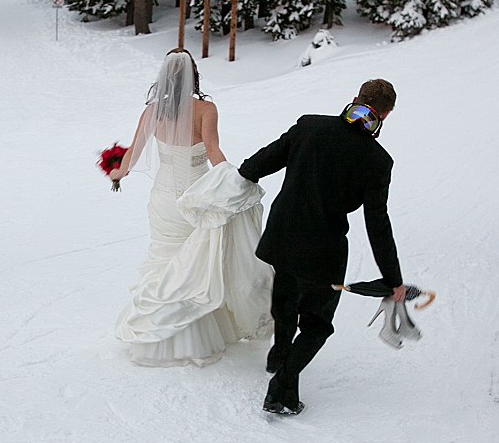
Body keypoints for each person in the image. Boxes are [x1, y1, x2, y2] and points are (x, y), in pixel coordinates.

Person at [237, 79, 406, 415]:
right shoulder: (377, 160)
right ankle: (282, 384)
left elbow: (256, 165)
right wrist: (394, 279)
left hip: (283, 235)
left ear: (356, 98)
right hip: (324, 249)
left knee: (285, 298)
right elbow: (377, 224)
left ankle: (279, 355)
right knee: (317, 324)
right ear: (386, 114)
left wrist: (245, 175)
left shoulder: (310, 126)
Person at [108, 49, 274, 366]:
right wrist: (233, 181)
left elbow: (132, 155)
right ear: (194, 77)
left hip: (163, 199)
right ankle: (197, 333)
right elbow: (213, 151)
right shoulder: (206, 110)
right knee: (194, 264)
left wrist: (117, 173)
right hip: (197, 199)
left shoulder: (152, 113)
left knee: (164, 260)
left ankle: (155, 334)